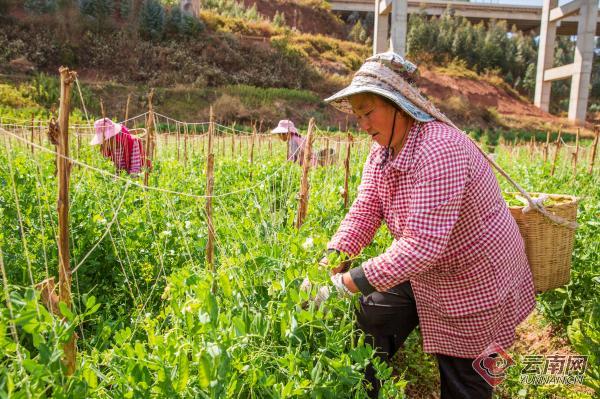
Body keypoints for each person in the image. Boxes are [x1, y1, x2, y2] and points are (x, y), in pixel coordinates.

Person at [319, 52, 535, 398]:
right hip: (425, 269)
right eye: (357, 115)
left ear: (398, 105)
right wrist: (331, 260)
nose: (362, 124)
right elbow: (365, 209)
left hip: (476, 275)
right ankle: (361, 389)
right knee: (371, 318)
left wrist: (345, 284)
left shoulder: (440, 149)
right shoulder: (381, 152)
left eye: (368, 112)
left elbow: (421, 246)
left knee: (465, 381)